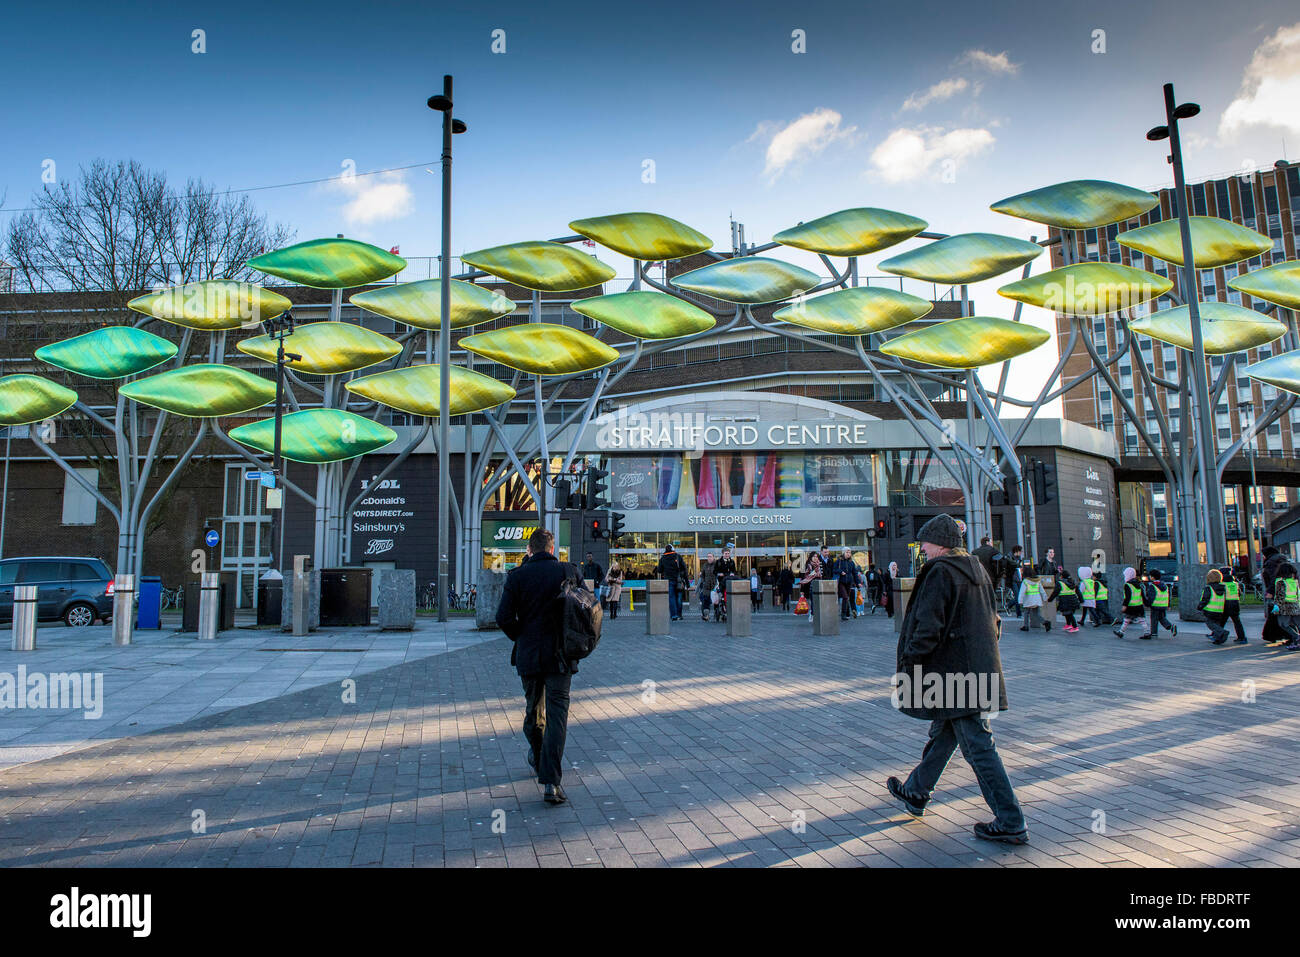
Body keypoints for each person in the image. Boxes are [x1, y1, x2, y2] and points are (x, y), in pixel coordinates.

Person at [885, 514, 1027, 845]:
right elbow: (994, 620)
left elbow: (928, 625)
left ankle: (1010, 821)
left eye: (925, 543)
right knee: (945, 732)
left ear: (940, 543)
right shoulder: (975, 568)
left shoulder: (940, 571)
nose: (923, 549)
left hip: (954, 673)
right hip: (975, 666)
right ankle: (916, 790)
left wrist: (910, 661)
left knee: (978, 746)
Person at [495, 527, 576, 806]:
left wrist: (522, 636)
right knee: (557, 716)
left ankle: (539, 757)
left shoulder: (517, 576)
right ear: (552, 549)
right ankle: (551, 781)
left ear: (530, 549)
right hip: (561, 655)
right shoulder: (568, 571)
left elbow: (503, 617)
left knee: (534, 711)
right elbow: (587, 609)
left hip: (529, 654)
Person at [1262, 546, 1289, 643]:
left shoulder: (1271, 563)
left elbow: (1274, 578)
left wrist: (1270, 591)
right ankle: (1286, 635)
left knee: (1274, 614)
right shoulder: (1284, 560)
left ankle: (1272, 635)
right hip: (1288, 591)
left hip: (1276, 592)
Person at [1114, 566, 1149, 639]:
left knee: (1126, 620)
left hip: (1131, 606)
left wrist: (1124, 605)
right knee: (1142, 620)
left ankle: (1121, 632)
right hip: (1139, 605)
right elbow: (1142, 595)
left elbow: (1127, 597)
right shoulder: (1139, 584)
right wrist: (1146, 603)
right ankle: (1147, 632)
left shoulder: (1127, 585)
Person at [1199, 568, 1231, 645]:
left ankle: (1222, 632)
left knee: (1210, 623)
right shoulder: (1223, 588)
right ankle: (1218, 639)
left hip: (1210, 610)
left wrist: (1200, 606)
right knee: (1217, 624)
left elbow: (1205, 599)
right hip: (1219, 610)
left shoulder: (1208, 588)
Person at [655, 544, 687, 621]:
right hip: (678, 580)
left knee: (671, 598)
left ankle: (674, 615)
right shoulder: (677, 556)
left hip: (669, 580)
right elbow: (684, 568)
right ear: (673, 549)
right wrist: (687, 583)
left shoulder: (663, 558)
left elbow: (659, 570)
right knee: (679, 597)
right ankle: (679, 615)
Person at [1272, 562, 1300, 649]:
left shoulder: (1281, 582)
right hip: (1295, 605)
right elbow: (1298, 594)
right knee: (1295, 624)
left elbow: (1280, 595)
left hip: (1284, 606)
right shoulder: (1294, 582)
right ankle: (1296, 643)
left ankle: (1297, 637)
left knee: (1283, 624)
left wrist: (1276, 605)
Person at [1143, 569, 1178, 638]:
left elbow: (1151, 597)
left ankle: (1154, 633)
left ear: (1152, 577)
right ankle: (1171, 627)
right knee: (1161, 618)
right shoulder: (1165, 585)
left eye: (1150, 576)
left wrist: (1148, 603)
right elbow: (1168, 595)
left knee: (1154, 619)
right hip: (1163, 605)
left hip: (1155, 605)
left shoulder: (1152, 586)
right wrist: (1168, 605)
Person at [1218, 566, 1248, 644]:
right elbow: (1239, 593)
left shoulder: (1221, 584)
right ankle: (1242, 637)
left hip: (1225, 604)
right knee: (1237, 622)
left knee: (1222, 621)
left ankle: (1217, 636)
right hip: (1235, 603)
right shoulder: (1235, 584)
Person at [1017, 565, 1048, 632]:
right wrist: (1045, 597)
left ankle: (1026, 626)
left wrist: (1020, 601)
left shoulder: (1025, 581)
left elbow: (1022, 592)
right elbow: (1042, 590)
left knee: (1026, 613)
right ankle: (1045, 622)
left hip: (1028, 600)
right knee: (1036, 614)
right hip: (1037, 599)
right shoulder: (1037, 580)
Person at [800, 546, 825, 623]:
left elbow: (823, 575)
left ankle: (816, 614)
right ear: (811, 557)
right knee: (814, 601)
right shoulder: (808, 565)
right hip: (811, 586)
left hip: (819, 585)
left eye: (816, 556)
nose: (815, 558)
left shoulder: (820, 565)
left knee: (819, 602)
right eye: (814, 556)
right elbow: (804, 577)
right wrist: (802, 590)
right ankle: (812, 614)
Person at [832, 548, 858, 621]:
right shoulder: (839, 561)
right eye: (847, 552)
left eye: (849, 552)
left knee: (846, 598)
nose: (848, 554)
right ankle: (843, 614)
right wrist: (840, 571)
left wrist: (858, 583)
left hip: (849, 582)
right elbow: (834, 570)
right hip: (841, 582)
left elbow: (855, 573)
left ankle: (847, 613)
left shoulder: (851, 562)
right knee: (845, 597)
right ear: (843, 553)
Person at [697, 552, 716, 621]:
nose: (709, 558)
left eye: (710, 556)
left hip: (714, 586)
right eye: (708, 557)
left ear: (713, 557)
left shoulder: (717, 565)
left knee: (716, 601)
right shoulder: (705, 565)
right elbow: (702, 576)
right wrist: (703, 582)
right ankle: (706, 616)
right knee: (705, 602)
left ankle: (717, 614)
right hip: (706, 587)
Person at [1006, 546, 1024, 616]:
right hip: (1013, 579)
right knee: (1017, 596)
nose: (1021, 553)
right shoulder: (1009, 557)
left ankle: (1009, 605)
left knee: (1019, 596)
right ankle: (1019, 613)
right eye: (1020, 551)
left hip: (1019, 578)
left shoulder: (1019, 558)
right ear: (1017, 551)